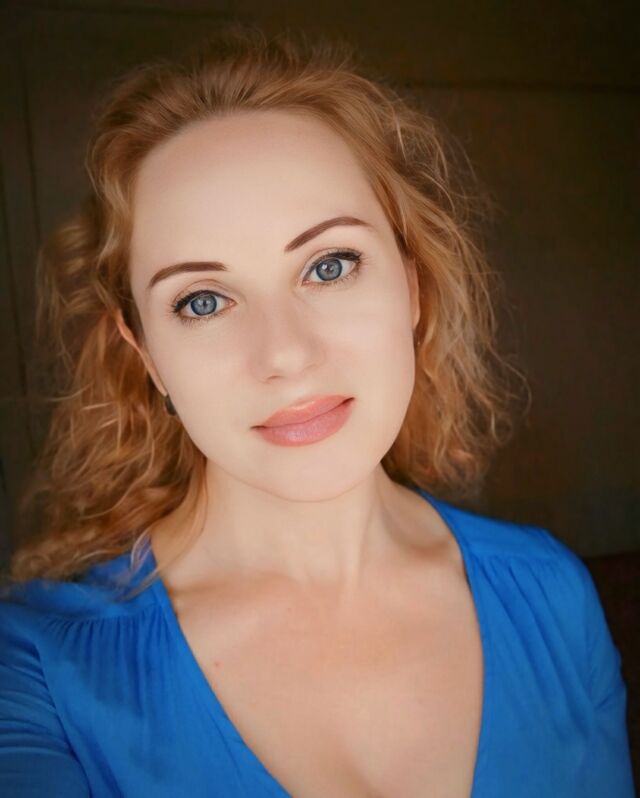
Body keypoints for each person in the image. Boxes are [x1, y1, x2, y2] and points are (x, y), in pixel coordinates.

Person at [0, 23, 635, 798]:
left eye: (330, 266)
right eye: (203, 301)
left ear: (413, 286)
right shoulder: (35, 671)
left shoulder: (552, 593)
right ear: (147, 354)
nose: (286, 354)